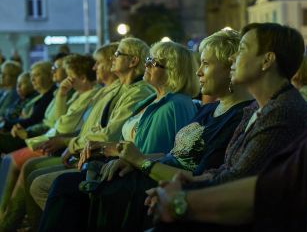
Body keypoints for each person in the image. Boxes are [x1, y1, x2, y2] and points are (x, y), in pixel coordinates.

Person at [38, 29, 253, 231]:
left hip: (166, 185)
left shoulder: (235, 116)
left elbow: (201, 175)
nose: (198, 71)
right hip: (152, 173)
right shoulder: (211, 109)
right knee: (66, 188)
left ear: (230, 66)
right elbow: (173, 153)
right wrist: (132, 159)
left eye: (205, 63)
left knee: (65, 188)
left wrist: (140, 162)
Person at [21, 38, 155, 230]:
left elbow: (110, 134)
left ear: (133, 61)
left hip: (105, 160)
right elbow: (87, 127)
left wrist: (71, 144)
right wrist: (72, 143)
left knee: (40, 180)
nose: (110, 61)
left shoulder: (139, 92)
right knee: (36, 176)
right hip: (90, 153)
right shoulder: (116, 88)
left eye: (117, 54)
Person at [149, 121, 307, 232]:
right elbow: (227, 169)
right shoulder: (253, 110)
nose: (233, 66)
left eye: (206, 65)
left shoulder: (282, 111)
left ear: (266, 65)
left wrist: (181, 201)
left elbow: (268, 188)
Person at [0, 54, 99, 230]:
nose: (66, 78)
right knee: (14, 159)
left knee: (19, 162)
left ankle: (11, 221)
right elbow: (57, 122)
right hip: (52, 136)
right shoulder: (74, 94)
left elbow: (60, 123)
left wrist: (61, 94)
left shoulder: (88, 94)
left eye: (68, 73)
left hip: (57, 140)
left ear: (82, 77)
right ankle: (8, 217)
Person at [0, 61, 56, 154]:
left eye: (37, 75)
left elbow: (34, 120)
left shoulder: (51, 95)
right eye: (31, 76)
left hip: (34, 137)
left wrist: (8, 124)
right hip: (26, 132)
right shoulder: (41, 95)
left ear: (50, 76)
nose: (33, 79)